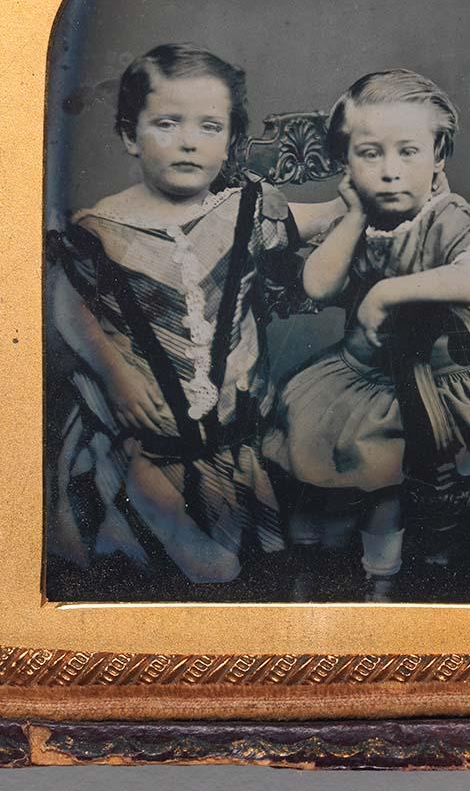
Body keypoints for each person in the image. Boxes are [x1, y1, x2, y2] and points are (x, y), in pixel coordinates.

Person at [263, 69, 470, 599]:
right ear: (346, 164)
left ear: (439, 156)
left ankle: (389, 583)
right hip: (366, 378)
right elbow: (317, 284)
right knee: (327, 437)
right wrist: (353, 215)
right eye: (369, 154)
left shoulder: (460, 220)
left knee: (388, 461)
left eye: (408, 152)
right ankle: (343, 568)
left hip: (454, 384)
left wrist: (388, 292)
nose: (388, 172)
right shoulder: (357, 214)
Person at [48, 44, 342, 584]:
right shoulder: (100, 229)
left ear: (230, 141)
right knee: (170, 515)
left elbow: (322, 217)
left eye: (210, 127)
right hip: (144, 424)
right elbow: (66, 303)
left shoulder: (243, 210)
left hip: (231, 431)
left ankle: (212, 547)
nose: (189, 141)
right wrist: (118, 377)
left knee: (242, 558)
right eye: (167, 123)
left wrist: (368, 198)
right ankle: (147, 517)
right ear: (129, 137)